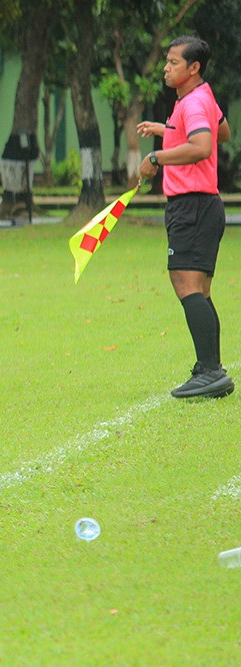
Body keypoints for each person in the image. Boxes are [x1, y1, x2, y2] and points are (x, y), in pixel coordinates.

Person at [137, 35, 233, 399]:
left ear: (193, 68)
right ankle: (210, 369)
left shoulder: (191, 104)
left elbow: (204, 145)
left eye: (173, 62)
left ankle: (210, 371)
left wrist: (157, 158)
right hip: (204, 205)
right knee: (200, 289)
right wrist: (169, 131)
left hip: (192, 206)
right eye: (166, 61)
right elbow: (221, 130)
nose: (166, 67)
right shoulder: (201, 97)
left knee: (186, 285)